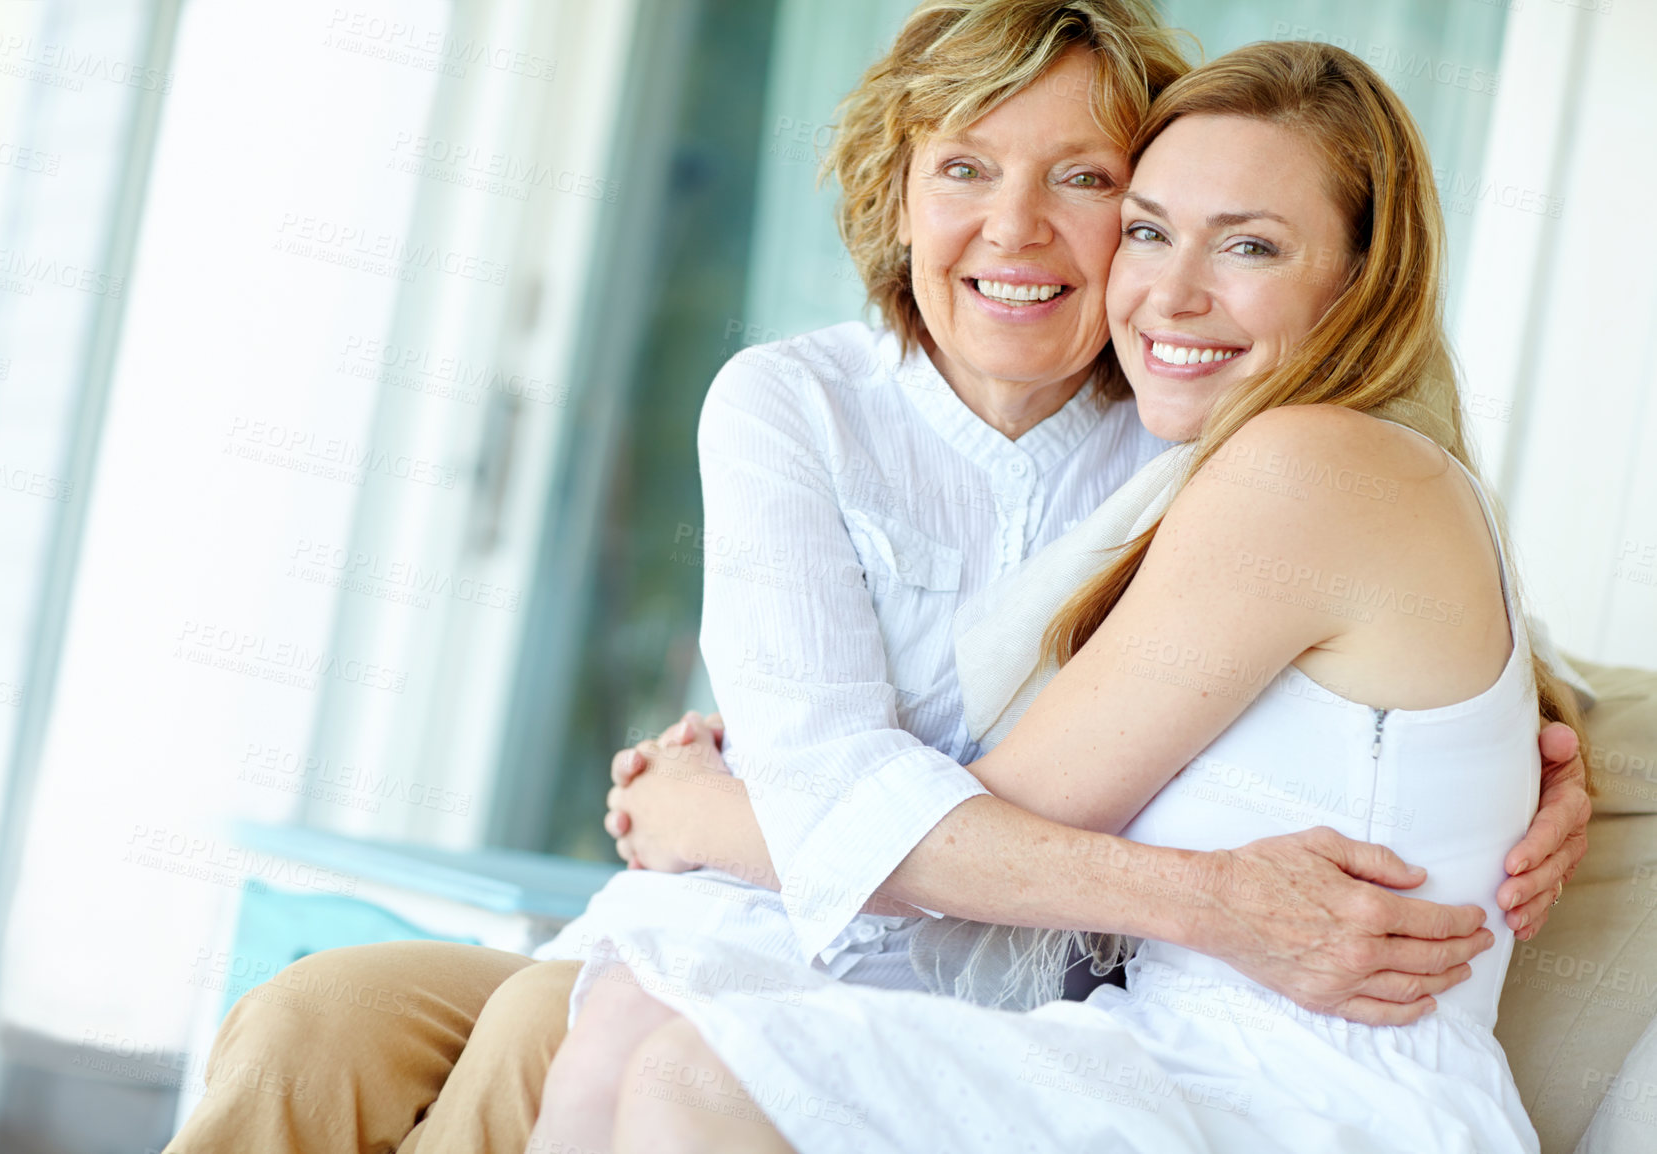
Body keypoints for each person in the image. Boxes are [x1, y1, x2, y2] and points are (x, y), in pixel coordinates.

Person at [163, 4, 1591, 1151]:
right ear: (896, 193)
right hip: (768, 921)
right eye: (965, 165)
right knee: (315, 1020)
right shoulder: (805, 402)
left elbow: (1383, 652)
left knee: (596, 1038)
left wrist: (707, 812)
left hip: (938, 967)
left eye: (1087, 184)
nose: (1022, 231)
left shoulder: (1190, 428)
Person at [572, 37, 1569, 1153]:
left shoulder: (1297, 466)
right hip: (1185, 1053)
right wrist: (1553, 745)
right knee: (649, 1047)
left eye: (1248, 245)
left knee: (700, 1074)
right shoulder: (1289, 461)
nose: (1172, 293)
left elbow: (988, 830)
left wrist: (699, 811)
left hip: (1310, 1102)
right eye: (1149, 231)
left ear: (1360, 278)